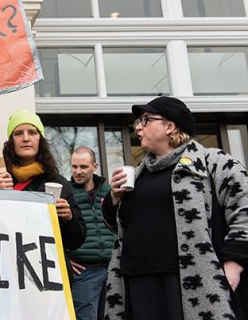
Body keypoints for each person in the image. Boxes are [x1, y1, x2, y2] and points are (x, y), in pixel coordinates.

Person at [102, 96, 248, 320]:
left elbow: (244, 207)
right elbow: (124, 228)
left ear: (170, 127)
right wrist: (113, 199)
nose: (137, 127)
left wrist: (234, 262)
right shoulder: (138, 173)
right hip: (135, 283)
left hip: (187, 280)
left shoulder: (212, 161)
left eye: (146, 120)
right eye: (137, 122)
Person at [0, 109, 86, 276]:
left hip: (47, 272)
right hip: (4, 269)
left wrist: (69, 218)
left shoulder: (58, 182)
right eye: (18, 133)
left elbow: (76, 241)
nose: (26, 138)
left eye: (32, 132)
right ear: (11, 141)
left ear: (40, 139)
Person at [68, 147, 115, 320]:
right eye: (74, 167)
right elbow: (53, 228)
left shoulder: (109, 190)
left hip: (112, 268)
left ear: (94, 166)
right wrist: (65, 258)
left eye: (83, 167)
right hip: (84, 271)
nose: (77, 171)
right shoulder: (66, 192)